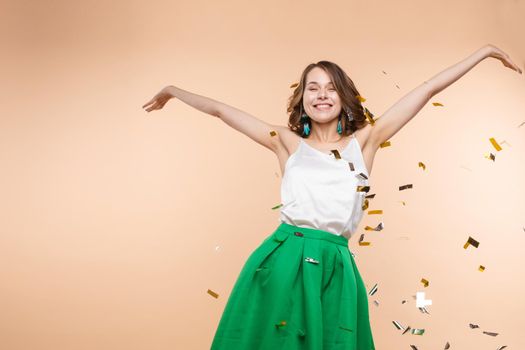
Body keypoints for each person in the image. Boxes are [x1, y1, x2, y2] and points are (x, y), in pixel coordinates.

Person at [142, 44, 521, 350]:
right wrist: (173, 91)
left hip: (335, 265)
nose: (322, 95)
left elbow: (426, 91)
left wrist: (484, 52)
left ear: (344, 97)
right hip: (283, 259)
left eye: (331, 87)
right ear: (302, 98)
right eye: (313, 87)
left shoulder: (366, 142)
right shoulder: (287, 144)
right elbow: (222, 111)